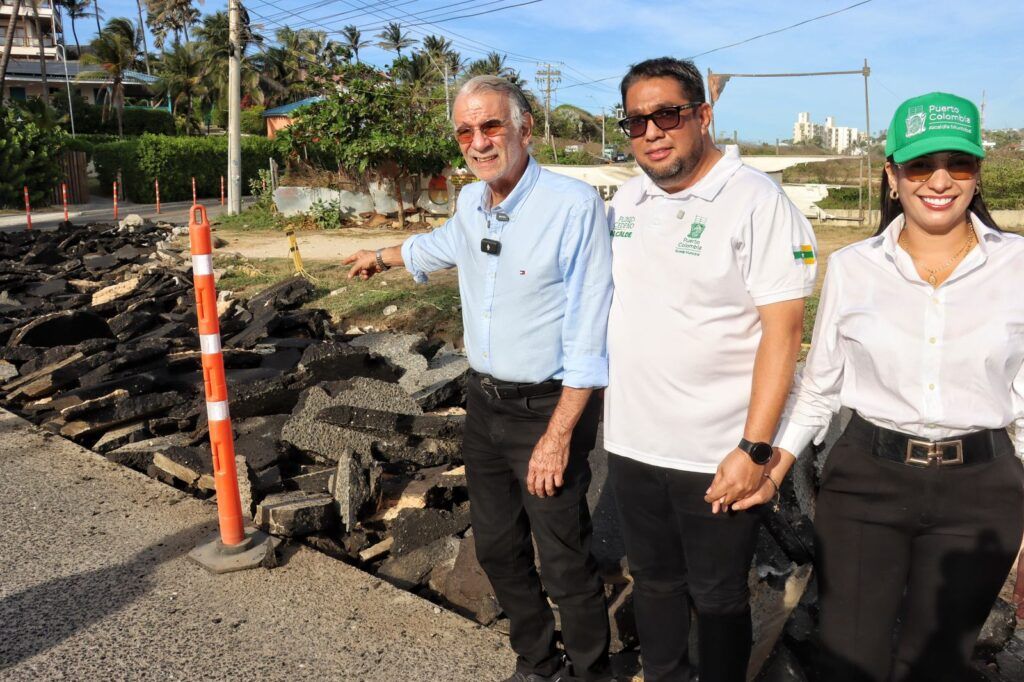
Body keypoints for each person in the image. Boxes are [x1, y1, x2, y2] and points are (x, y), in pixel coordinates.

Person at [343, 75, 614, 682]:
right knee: (496, 547)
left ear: (524, 128)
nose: (478, 141)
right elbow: (441, 245)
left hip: (547, 407)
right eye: (466, 130)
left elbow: (590, 335)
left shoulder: (573, 207)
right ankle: (539, 663)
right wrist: (380, 258)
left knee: (565, 558)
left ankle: (593, 671)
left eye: (491, 126)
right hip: (484, 403)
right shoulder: (471, 202)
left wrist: (558, 435)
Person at [747, 91, 1024, 681]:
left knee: (938, 663)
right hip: (866, 482)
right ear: (892, 177)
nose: (940, 180)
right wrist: (772, 465)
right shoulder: (852, 268)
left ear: (978, 176)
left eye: (959, 163)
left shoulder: (1019, 267)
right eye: (920, 164)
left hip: (982, 490)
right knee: (849, 657)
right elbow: (820, 389)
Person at [603, 57, 816, 682]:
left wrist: (755, 447)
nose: (652, 132)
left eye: (667, 114)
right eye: (636, 121)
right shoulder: (628, 198)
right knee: (656, 584)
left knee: (719, 597)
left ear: (702, 114)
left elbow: (785, 332)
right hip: (633, 443)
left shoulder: (756, 201)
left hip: (717, 452)